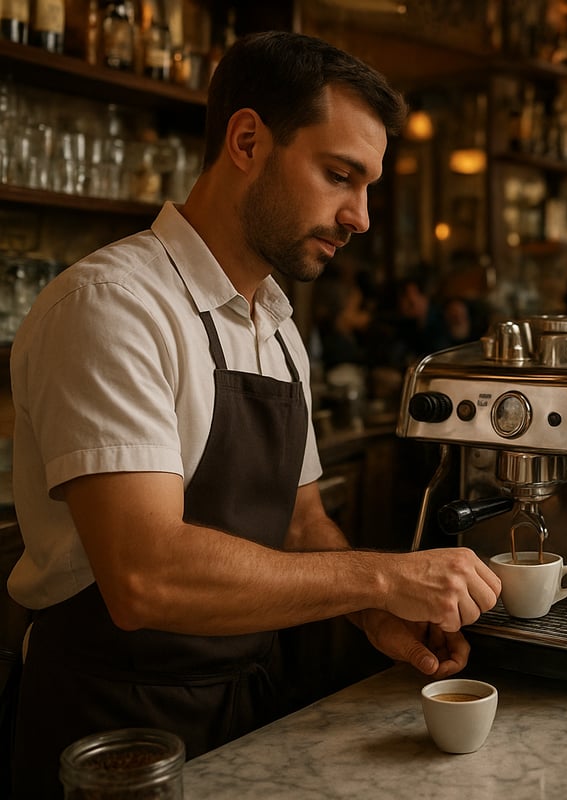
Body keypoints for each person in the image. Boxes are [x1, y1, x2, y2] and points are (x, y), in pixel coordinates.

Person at [7, 31, 501, 796]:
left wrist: (376, 615)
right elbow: (144, 577)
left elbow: (301, 524)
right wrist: (379, 577)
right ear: (246, 140)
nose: (361, 217)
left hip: (249, 709)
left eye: (368, 186)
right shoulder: (113, 307)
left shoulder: (273, 320)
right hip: (116, 735)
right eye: (341, 175)